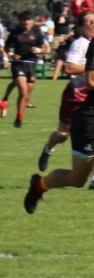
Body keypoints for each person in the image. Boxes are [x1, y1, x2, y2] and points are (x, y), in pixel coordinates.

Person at [24, 20, 94, 214]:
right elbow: (89, 80)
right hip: (89, 119)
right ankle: (39, 185)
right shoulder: (89, 44)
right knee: (77, 180)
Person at [37, 11, 94, 173]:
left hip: (92, 94)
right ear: (82, 28)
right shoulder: (80, 43)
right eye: (89, 22)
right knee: (63, 134)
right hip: (77, 93)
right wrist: (91, 68)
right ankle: (48, 148)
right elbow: (69, 68)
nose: (93, 24)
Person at [4, 10, 46, 128]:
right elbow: (5, 48)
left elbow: (44, 48)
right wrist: (11, 54)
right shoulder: (15, 33)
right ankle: (19, 120)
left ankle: (19, 115)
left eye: (28, 20)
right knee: (23, 91)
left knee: (26, 95)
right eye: (23, 20)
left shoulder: (37, 33)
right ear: (20, 21)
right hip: (18, 64)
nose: (26, 22)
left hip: (31, 64)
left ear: (32, 21)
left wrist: (38, 50)